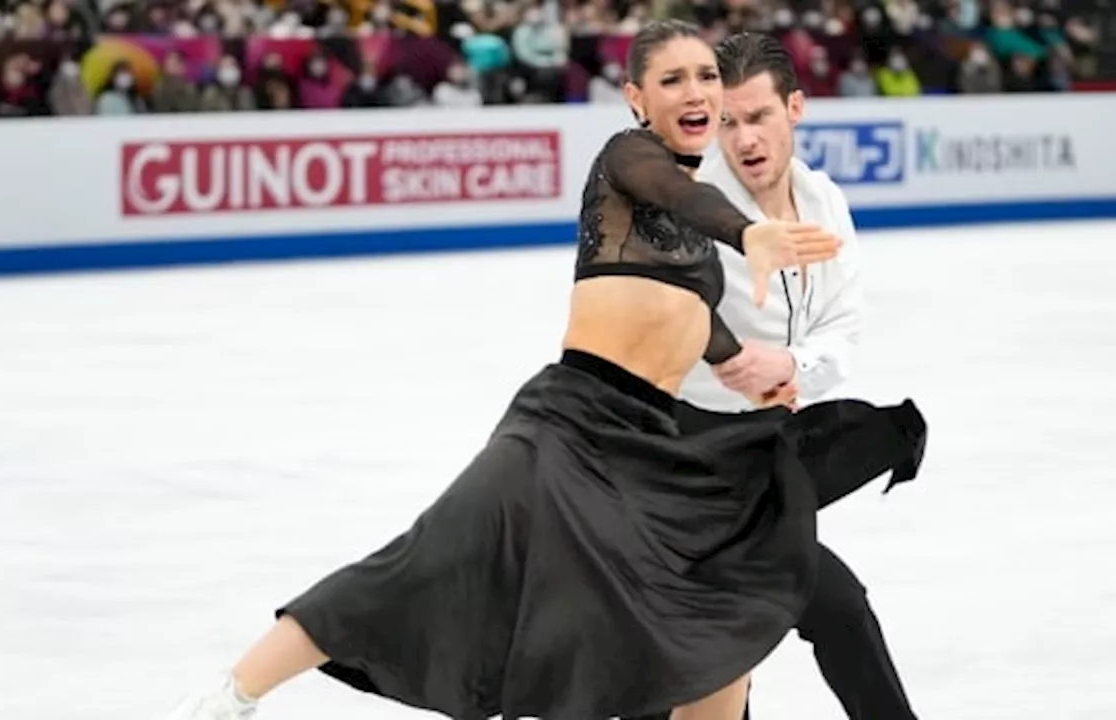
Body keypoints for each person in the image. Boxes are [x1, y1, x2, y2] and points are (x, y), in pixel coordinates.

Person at [163, 20, 842, 720]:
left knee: (710, 624)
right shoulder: (629, 161)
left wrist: (747, 368)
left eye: (706, 76)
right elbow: (679, 195)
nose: (696, 91)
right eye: (673, 80)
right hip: (565, 424)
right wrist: (749, 232)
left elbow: (694, 315)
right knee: (424, 564)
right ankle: (231, 695)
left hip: (647, 449)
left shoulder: (696, 227)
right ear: (637, 98)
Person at [625, 32, 927, 720]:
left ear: (795, 108)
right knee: (725, 644)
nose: (743, 139)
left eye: (758, 117)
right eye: (726, 122)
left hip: (766, 456)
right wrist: (726, 356)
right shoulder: (689, 206)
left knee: (828, 612)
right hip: (682, 456)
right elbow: (648, 312)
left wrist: (790, 364)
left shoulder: (825, 203)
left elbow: (842, 329)